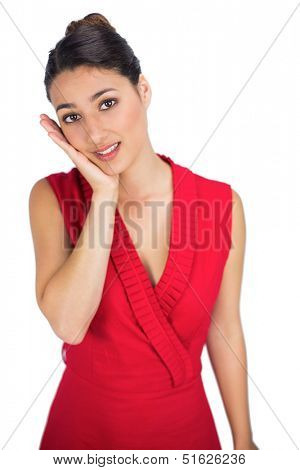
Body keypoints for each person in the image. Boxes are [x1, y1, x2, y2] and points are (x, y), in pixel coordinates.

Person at [29, 12, 258, 450]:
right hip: (81, 439)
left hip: (187, 436)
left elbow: (224, 327)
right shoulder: (50, 199)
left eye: (107, 103)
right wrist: (103, 195)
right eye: (71, 116)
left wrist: (244, 444)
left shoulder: (222, 205)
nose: (94, 132)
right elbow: (70, 325)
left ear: (144, 90)